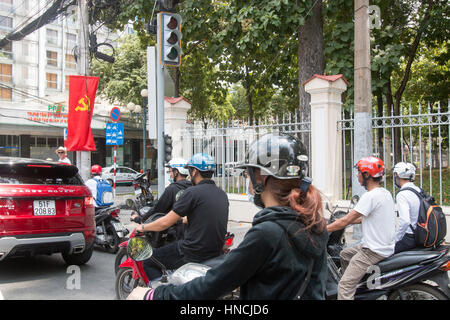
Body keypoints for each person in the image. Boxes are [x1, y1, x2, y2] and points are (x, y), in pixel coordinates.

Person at [128, 133, 329, 300]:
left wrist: (153, 295)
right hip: (214, 251)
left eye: (248, 174)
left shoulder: (268, 233)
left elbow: (211, 287)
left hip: (191, 252)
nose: (248, 183)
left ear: (261, 178)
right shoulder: (314, 223)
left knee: (152, 261)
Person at [138, 153, 229, 281]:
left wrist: (143, 227)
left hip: (192, 252)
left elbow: (164, 223)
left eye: (190, 170)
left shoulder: (192, 193)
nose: (189, 173)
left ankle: (162, 293)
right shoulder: (222, 194)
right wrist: (182, 220)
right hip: (215, 251)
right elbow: (204, 216)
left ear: (195, 171)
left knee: (148, 261)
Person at [326, 156, 396, 300]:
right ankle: (356, 286)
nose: (357, 175)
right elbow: (364, 218)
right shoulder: (385, 193)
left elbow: (347, 219)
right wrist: (344, 222)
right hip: (382, 246)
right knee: (344, 255)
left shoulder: (370, 196)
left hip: (373, 250)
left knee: (344, 286)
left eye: (359, 172)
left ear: (366, 175)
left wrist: (323, 228)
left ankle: (348, 290)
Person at [130, 158, 192, 224]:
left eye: (170, 171)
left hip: (175, 229)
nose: (170, 175)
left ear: (176, 172)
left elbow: (158, 208)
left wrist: (140, 219)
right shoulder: (193, 187)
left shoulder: (171, 189)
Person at [393, 162, 420, 253]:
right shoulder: (418, 190)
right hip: (420, 234)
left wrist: (395, 239)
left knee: (381, 251)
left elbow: (405, 221)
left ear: (397, 175)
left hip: (409, 237)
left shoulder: (402, 194)